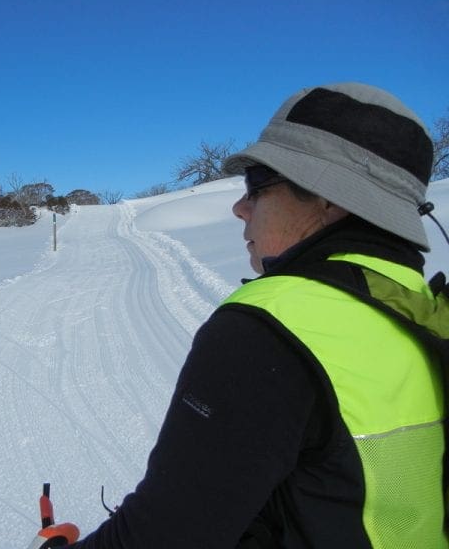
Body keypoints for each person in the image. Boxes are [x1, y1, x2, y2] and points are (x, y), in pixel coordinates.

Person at [29, 82, 448, 548]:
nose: (239, 207)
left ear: (330, 199)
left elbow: (162, 538)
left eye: (257, 186)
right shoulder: (423, 313)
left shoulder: (271, 328)